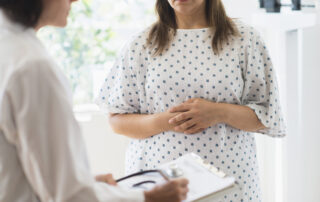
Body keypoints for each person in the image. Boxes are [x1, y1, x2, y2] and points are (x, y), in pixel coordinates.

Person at [97, 0, 286, 201]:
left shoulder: (245, 38)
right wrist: (165, 121)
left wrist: (219, 112)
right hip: (160, 186)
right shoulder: (141, 44)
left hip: (230, 184)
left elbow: (267, 116)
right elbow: (116, 120)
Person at [0, 0, 189, 201]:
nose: (76, 0)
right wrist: (147, 198)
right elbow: (70, 195)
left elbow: (22, 171)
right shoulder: (33, 68)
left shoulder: (10, 50)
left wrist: (86, 185)